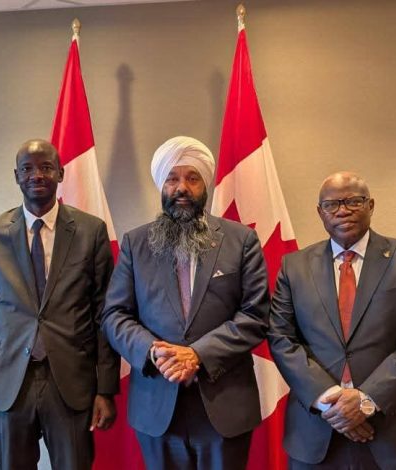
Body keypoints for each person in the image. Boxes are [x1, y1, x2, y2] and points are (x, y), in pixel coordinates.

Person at [100, 136, 269, 470]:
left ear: (205, 185)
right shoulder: (136, 243)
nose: (182, 188)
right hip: (157, 403)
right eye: (172, 179)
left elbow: (256, 314)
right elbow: (115, 315)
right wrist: (153, 351)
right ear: (161, 185)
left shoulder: (241, 240)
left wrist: (198, 355)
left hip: (224, 403)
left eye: (192, 178)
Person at [268, 171, 396, 469]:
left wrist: (366, 400)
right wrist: (331, 400)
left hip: (392, 431)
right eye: (331, 204)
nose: (342, 210)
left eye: (353, 201)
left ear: (371, 205)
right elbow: (281, 338)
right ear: (320, 212)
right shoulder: (294, 266)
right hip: (316, 432)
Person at [0, 139, 119, 470]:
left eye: (46, 167)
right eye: (27, 168)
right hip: (9, 383)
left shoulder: (90, 231)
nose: (36, 175)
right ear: (16, 176)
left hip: (71, 382)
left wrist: (106, 389)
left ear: (60, 174)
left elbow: (104, 315)